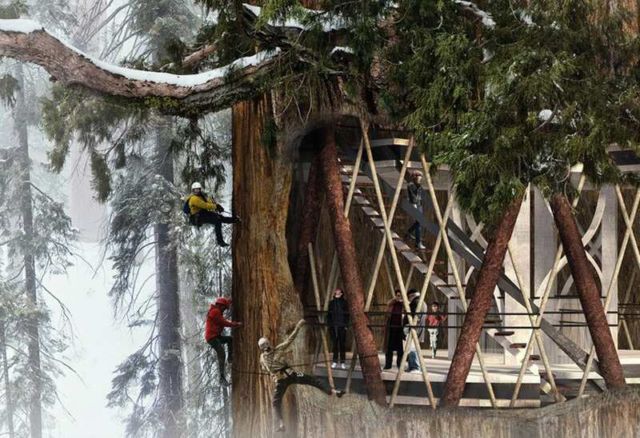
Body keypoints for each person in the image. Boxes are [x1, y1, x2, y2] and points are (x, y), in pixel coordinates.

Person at [258, 319, 344, 432]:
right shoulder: (278, 349)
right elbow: (290, 339)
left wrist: (272, 372)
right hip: (292, 375)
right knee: (312, 380)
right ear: (268, 344)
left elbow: (265, 369)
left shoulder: (262, 358)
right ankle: (334, 391)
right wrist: (298, 326)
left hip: (281, 382)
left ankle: (281, 424)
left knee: (276, 402)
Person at [186, 182, 240, 247]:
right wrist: (216, 206)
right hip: (198, 217)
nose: (197, 191)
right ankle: (220, 242)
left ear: (200, 190)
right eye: (195, 190)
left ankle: (235, 220)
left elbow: (207, 202)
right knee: (217, 220)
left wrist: (215, 204)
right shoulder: (193, 199)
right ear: (193, 190)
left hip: (202, 214)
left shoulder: (200, 196)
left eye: (198, 189)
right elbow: (205, 205)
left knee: (219, 217)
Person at [205, 297, 242, 386]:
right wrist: (236, 324)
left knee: (230, 339)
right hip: (212, 338)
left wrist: (229, 301)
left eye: (225, 308)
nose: (224, 310)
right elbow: (224, 322)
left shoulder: (217, 310)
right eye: (224, 308)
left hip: (216, 336)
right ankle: (221, 378)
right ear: (220, 306)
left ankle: (230, 358)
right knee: (221, 353)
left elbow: (225, 303)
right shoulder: (215, 312)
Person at [403, 289, 426, 373]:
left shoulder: (416, 302)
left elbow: (415, 316)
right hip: (417, 329)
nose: (408, 299)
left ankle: (415, 367)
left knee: (412, 348)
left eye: (408, 297)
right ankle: (412, 366)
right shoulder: (422, 302)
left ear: (411, 295)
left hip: (413, 329)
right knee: (412, 347)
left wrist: (408, 326)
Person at [327, 288, 349, 369]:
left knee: (342, 344)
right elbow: (328, 314)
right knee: (335, 344)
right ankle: (335, 361)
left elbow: (347, 314)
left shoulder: (344, 302)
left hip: (342, 325)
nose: (337, 291)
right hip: (334, 326)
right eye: (336, 290)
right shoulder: (331, 303)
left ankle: (343, 362)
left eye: (339, 290)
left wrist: (346, 325)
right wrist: (329, 325)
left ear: (341, 292)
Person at [384, 290, 405, 370]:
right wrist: (394, 299)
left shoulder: (403, 304)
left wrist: (403, 301)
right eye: (397, 295)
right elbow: (387, 304)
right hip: (391, 328)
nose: (399, 297)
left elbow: (407, 309)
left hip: (400, 329)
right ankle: (388, 365)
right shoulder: (392, 304)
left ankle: (400, 365)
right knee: (389, 348)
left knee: (400, 349)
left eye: (400, 295)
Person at [406, 172, 426, 250]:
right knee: (419, 224)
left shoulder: (419, 185)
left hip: (419, 205)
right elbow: (412, 196)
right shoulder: (411, 185)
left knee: (419, 223)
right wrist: (413, 204)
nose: (420, 178)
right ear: (415, 177)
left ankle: (409, 232)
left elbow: (419, 196)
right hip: (415, 205)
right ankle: (418, 242)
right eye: (419, 176)